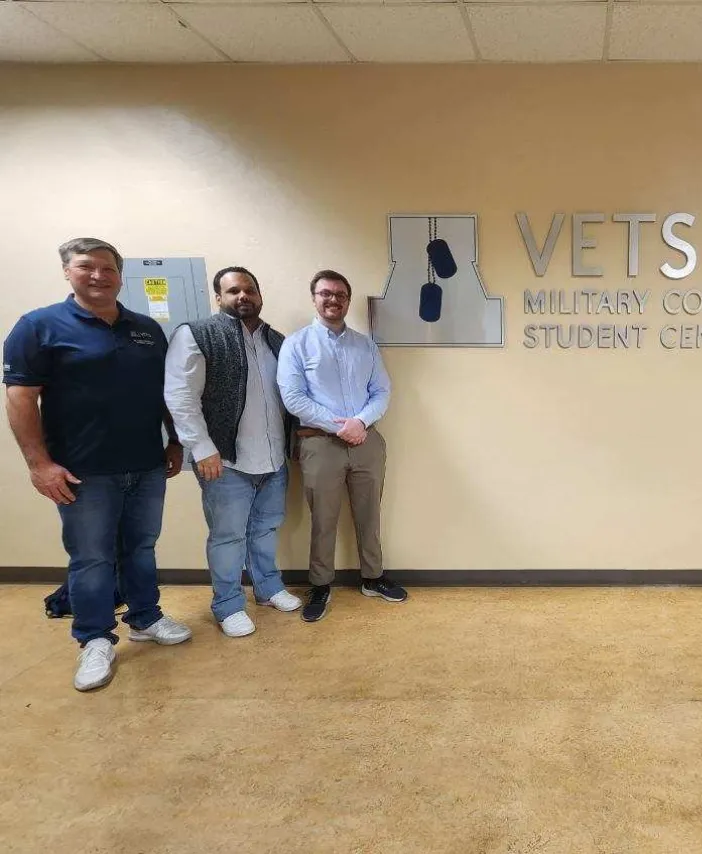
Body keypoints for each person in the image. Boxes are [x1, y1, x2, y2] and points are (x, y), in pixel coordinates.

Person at [3, 237, 192, 692]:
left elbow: (165, 392)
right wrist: (38, 464)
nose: (98, 276)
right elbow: (21, 397)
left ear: (120, 275)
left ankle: (146, 617)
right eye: (86, 267)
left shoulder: (145, 328)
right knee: (91, 557)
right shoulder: (39, 326)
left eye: (108, 268)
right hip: (83, 471)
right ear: (68, 271)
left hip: (146, 464)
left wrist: (175, 442)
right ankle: (94, 638)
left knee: (141, 547)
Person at [164, 266, 302, 638]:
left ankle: (269, 588)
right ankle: (228, 604)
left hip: (273, 459)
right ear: (219, 297)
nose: (243, 296)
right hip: (224, 460)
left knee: (266, 528)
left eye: (249, 290)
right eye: (233, 291)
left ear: (259, 295)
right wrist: (202, 447)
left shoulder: (277, 340)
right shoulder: (198, 334)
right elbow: (180, 396)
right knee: (227, 537)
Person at [276, 269, 406, 623]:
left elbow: (382, 391)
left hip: (367, 441)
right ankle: (320, 585)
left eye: (340, 294)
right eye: (325, 293)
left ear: (348, 300)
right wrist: (341, 426)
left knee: (369, 513)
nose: (333, 300)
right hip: (320, 444)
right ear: (314, 298)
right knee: (324, 519)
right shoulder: (297, 344)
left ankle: (373, 578)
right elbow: (293, 399)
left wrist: (360, 423)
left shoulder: (365, 345)